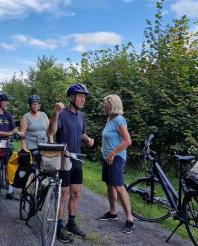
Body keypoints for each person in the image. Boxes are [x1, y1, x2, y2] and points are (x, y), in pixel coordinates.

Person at [48, 83, 94, 243]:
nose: (83, 100)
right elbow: (52, 132)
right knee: (64, 195)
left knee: (76, 193)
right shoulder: (63, 114)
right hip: (64, 159)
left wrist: (87, 138)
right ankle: (59, 226)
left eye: (84, 97)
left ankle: (71, 223)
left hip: (77, 159)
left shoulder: (81, 116)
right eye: (80, 96)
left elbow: (81, 132)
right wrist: (56, 113)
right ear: (72, 97)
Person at [98, 94, 134, 233]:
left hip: (116, 158)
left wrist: (112, 153)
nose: (104, 105)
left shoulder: (119, 119)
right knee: (109, 184)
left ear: (112, 105)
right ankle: (113, 212)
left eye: (106, 103)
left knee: (119, 187)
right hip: (107, 157)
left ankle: (130, 219)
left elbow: (127, 141)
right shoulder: (109, 118)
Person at [20, 95, 49, 162]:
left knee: (46, 167)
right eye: (33, 104)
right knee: (33, 168)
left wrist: (51, 144)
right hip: (31, 147)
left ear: (39, 105)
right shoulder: (26, 117)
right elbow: (22, 134)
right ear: (30, 105)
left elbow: (49, 131)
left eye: (37, 104)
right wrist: (24, 149)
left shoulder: (44, 115)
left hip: (44, 145)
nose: (35, 106)